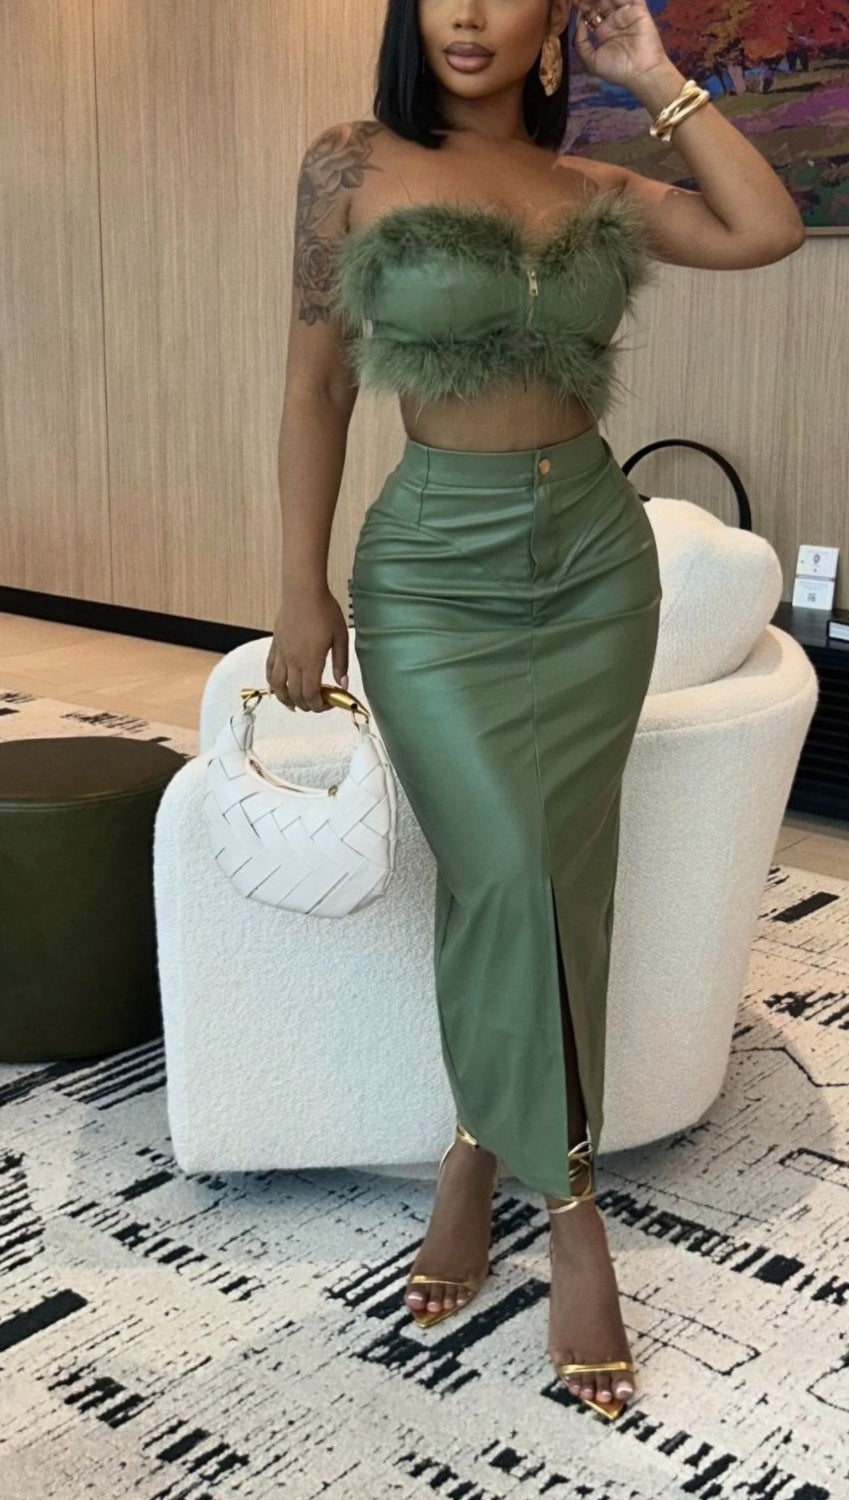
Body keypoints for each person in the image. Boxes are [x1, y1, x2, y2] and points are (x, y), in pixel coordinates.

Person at [269, 0, 805, 1422]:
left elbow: (767, 229)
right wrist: (299, 587)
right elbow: (315, 388)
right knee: (505, 866)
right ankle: (570, 1210)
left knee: (559, 880)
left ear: (557, 23)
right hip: (433, 575)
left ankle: (472, 1151)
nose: (467, 12)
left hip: (592, 572)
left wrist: (656, 75)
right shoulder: (349, 162)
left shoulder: (596, 189)